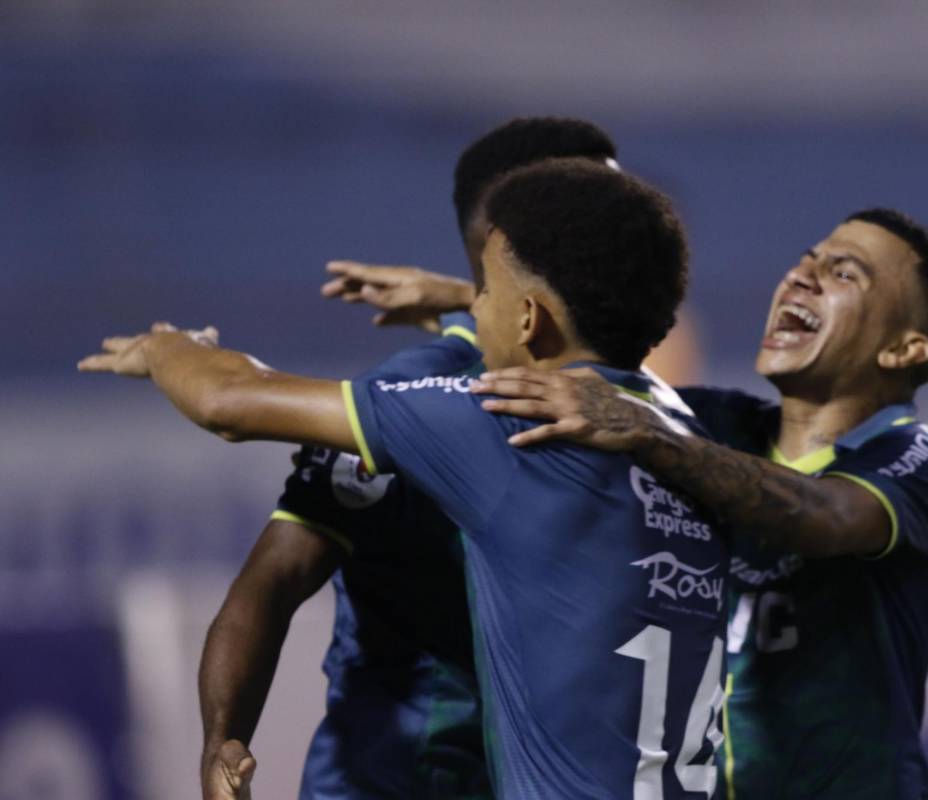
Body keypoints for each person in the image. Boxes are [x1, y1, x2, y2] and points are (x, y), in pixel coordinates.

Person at [80, 158, 730, 799]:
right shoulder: (705, 444)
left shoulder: (494, 425)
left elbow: (228, 401)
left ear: (529, 316)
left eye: (480, 290)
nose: (469, 307)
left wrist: (167, 345)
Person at [466, 208, 928, 798]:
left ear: (903, 349)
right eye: (806, 260)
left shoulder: (919, 457)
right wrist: (464, 305)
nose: (801, 278)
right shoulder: (713, 424)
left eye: (844, 273)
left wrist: (649, 433)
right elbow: (575, 369)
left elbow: (822, 515)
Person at [196, 117, 622, 800]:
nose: (635, 226)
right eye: (606, 209)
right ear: (515, 237)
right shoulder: (412, 401)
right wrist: (222, 739)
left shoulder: (629, 405)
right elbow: (272, 579)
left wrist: (457, 297)